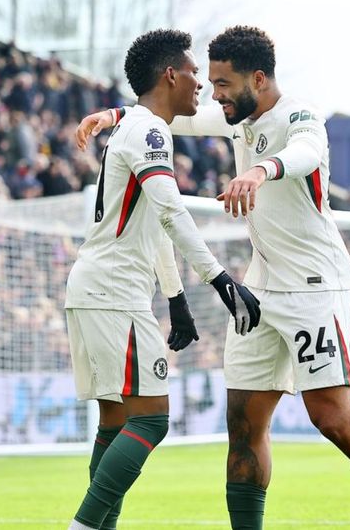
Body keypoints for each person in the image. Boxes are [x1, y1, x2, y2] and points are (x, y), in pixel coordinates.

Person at [76, 25, 350, 530]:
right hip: (260, 290)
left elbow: (305, 153)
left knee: (332, 418)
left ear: (259, 79)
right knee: (243, 426)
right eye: (211, 83)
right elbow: (174, 115)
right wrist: (114, 115)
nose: (215, 94)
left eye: (223, 84)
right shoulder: (236, 120)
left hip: (314, 286)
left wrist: (261, 170)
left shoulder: (301, 116)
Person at [65, 29, 260, 530]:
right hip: (115, 294)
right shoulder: (151, 132)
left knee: (116, 423)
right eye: (194, 72)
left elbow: (154, 225)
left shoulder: (134, 127)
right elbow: (172, 212)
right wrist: (221, 280)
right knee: (150, 419)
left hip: (96, 289)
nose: (202, 84)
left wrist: (176, 297)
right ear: (171, 75)